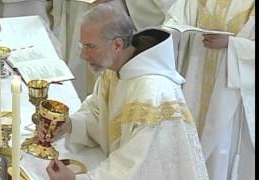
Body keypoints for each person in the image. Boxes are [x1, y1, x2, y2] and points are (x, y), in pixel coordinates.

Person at [39, 3, 209, 180]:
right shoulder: (116, 69)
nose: (83, 55)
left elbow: (138, 168)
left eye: (90, 47)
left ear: (117, 44)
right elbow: (100, 116)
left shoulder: (153, 95)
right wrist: (70, 125)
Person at [163, 0, 255, 180]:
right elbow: (175, 20)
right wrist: (170, 31)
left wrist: (232, 43)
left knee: (220, 148)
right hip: (194, 81)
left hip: (231, 89)